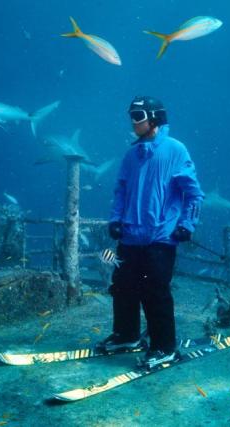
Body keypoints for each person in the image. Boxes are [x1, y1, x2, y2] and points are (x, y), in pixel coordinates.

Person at [98, 95, 204, 367]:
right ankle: (127, 335)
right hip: (131, 236)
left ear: (154, 119)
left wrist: (186, 225)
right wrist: (115, 219)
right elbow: (121, 190)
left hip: (161, 237)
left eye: (138, 117)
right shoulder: (131, 155)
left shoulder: (175, 150)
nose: (133, 123)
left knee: (155, 291)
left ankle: (164, 346)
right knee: (122, 288)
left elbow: (193, 195)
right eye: (131, 116)